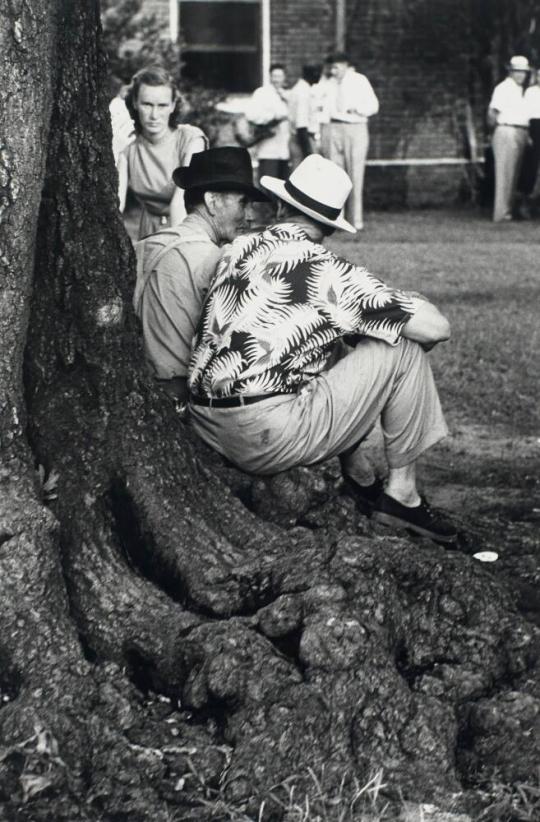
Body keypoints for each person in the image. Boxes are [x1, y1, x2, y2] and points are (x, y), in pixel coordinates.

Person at [188, 155, 457, 543]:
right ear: (329, 226)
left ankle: (360, 473)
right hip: (263, 436)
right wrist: (400, 306)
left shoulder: (239, 247)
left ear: (280, 206)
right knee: (401, 347)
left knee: (327, 337)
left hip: (205, 424)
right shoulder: (329, 271)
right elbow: (437, 328)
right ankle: (403, 496)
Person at [133, 147, 268, 402]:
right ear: (212, 201)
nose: (250, 216)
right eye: (243, 203)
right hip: (182, 397)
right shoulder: (218, 259)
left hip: (133, 389)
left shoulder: (142, 246)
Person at [118, 66, 208, 239]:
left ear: (173, 106)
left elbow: (180, 200)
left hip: (187, 230)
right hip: (148, 231)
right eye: (147, 104)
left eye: (162, 106)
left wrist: (174, 248)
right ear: (135, 103)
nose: (154, 115)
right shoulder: (129, 145)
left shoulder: (191, 139)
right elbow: (116, 205)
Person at [323, 52, 379, 231]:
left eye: (337, 67)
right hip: (333, 128)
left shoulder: (359, 80)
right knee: (335, 175)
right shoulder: (328, 83)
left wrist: (357, 109)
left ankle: (356, 220)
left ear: (346, 65)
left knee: (355, 173)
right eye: (331, 67)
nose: (333, 71)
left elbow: (373, 106)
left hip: (355, 128)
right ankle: (336, 218)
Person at [488, 55, 531, 223]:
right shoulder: (503, 88)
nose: (521, 75)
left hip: (520, 131)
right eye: (518, 72)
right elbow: (492, 113)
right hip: (506, 129)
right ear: (511, 72)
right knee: (505, 173)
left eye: (524, 72)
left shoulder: (520, 90)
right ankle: (501, 213)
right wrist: (494, 131)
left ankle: (508, 210)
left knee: (513, 173)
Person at [246, 63, 290, 181]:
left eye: (279, 76)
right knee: (268, 182)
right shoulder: (261, 93)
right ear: (270, 77)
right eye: (274, 76)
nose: (276, 79)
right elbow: (251, 115)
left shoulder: (287, 95)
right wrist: (273, 117)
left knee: (283, 184)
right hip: (268, 147)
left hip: (285, 149)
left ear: (284, 77)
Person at [518, 66, 540, 215]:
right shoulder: (531, 92)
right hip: (535, 127)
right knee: (532, 166)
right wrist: (527, 134)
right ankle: (525, 203)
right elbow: (524, 113)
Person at [288, 65, 320, 168]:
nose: (319, 77)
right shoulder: (303, 92)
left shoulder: (300, 89)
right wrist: (308, 151)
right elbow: (301, 124)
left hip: (300, 137)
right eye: (318, 74)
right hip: (304, 138)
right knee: (303, 173)